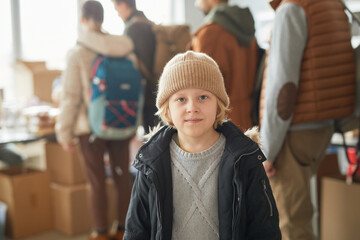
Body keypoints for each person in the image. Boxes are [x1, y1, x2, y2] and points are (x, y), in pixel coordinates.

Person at [123, 51, 281, 239]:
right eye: (181, 99)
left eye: (203, 97)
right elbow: (136, 230)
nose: (192, 107)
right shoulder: (151, 161)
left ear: (218, 104)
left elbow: (264, 229)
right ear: (168, 109)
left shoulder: (244, 158)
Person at [260, 0, 356, 239]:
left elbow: (283, 88)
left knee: (290, 222)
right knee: (299, 215)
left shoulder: (291, 9)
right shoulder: (332, 4)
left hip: (294, 131)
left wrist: (266, 151)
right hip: (321, 125)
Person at [55, 1, 136, 240]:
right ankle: (123, 229)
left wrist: (64, 133)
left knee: (96, 181)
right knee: (122, 177)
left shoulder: (78, 52)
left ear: (83, 19)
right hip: (121, 122)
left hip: (89, 128)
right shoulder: (121, 47)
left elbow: (70, 97)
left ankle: (100, 232)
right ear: (102, 18)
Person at [189, 0, 259, 131]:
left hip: (220, 126)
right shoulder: (248, 31)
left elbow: (202, 88)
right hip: (248, 121)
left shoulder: (210, 34)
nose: (196, 4)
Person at [112, 0, 158, 134]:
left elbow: (137, 63)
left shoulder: (133, 27)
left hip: (147, 90)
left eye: (116, 9)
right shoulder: (147, 22)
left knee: (151, 136)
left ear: (124, 5)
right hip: (157, 85)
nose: (117, 14)